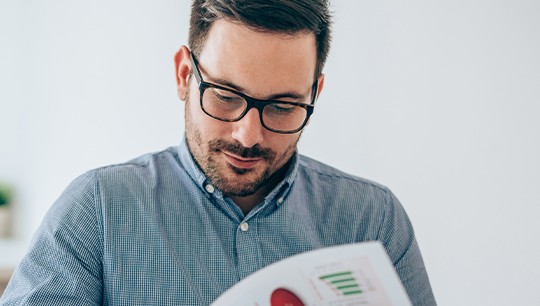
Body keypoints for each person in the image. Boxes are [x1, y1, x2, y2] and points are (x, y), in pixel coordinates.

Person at [0, 0, 436, 305]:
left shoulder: (372, 221)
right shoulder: (97, 210)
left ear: (314, 94)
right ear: (185, 75)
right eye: (226, 96)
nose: (247, 136)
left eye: (282, 107)